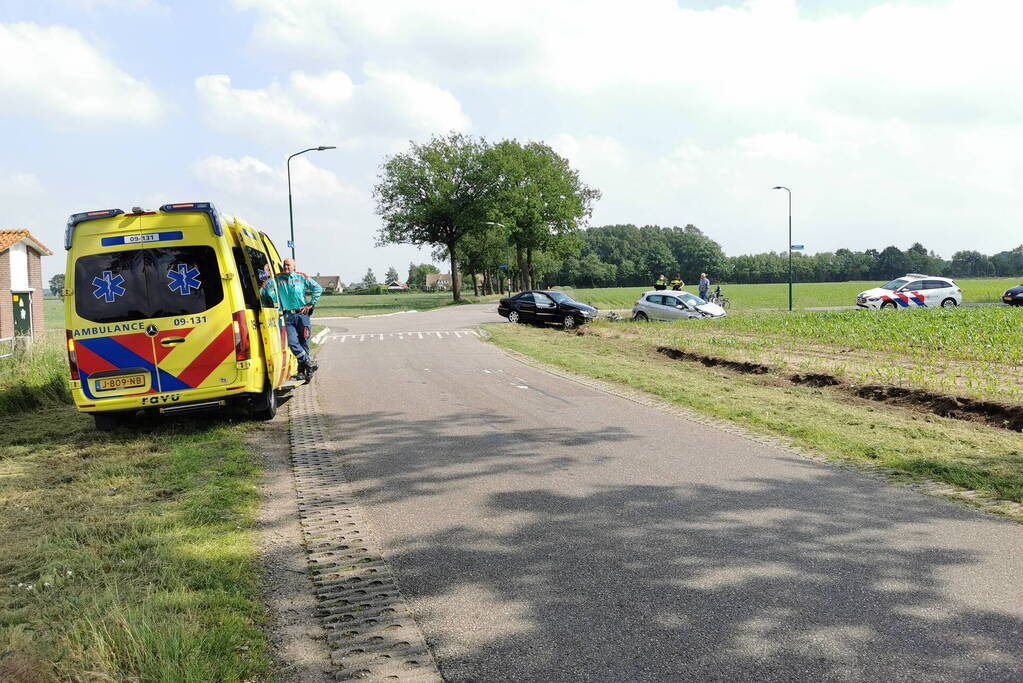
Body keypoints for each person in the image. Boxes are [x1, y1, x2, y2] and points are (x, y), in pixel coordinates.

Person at [275, 258, 323, 378]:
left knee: (304, 342)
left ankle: (304, 372)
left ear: (294, 267)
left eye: (289, 265)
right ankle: (308, 362)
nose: (286, 267)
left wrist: (311, 303)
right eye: (284, 265)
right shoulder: (278, 278)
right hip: (287, 316)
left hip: (302, 315)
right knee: (292, 342)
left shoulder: (301, 277)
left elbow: (318, 288)